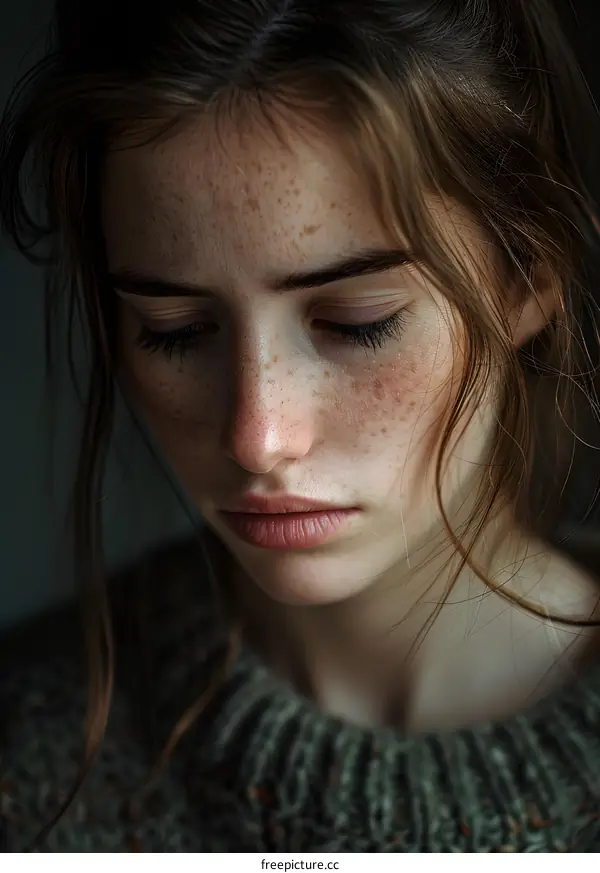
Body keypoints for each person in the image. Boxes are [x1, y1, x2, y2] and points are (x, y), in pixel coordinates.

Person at [1, 0, 600, 853]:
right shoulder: (28, 758)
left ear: (527, 281)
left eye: (358, 321)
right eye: (174, 331)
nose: (258, 436)